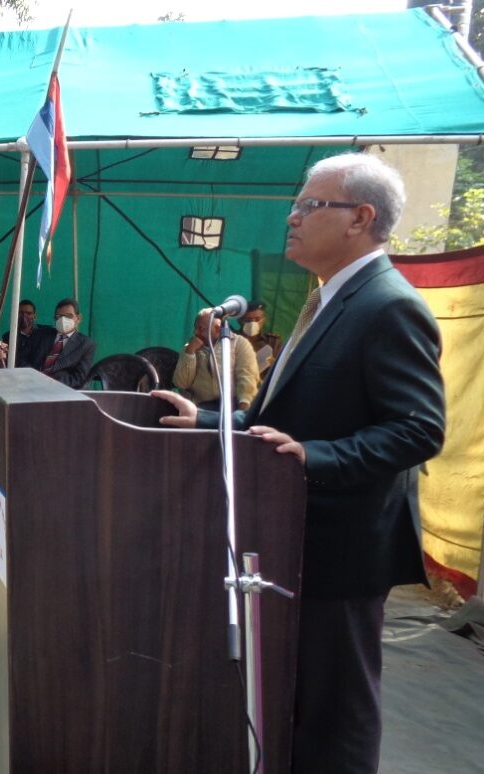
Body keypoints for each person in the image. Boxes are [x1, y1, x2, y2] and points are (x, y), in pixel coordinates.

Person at [150, 152, 445, 774]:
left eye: (310, 205)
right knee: (298, 700)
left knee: (338, 712)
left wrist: (318, 457)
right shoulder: (328, 301)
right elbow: (288, 418)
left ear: (360, 218)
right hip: (293, 536)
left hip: (343, 547)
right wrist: (204, 418)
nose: (292, 217)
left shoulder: (388, 305)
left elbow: (419, 429)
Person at [173, 308, 259, 410]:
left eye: (201, 328)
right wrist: (190, 352)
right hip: (202, 407)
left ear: (217, 328)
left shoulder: (239, 343)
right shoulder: (191, 347)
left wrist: (244, 406)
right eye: (195, 328)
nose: (196, 332)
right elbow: (181, 384)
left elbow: (247, 375)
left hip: (233, 405)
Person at [35, 299, 96, 389]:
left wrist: (50, 383)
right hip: (33, 384)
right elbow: (28, 359)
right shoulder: (42, 335)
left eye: (69, 316)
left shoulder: (86, 344)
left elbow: (80, 377)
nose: (63, 320)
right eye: (59, 316)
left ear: (78, 319)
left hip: (62, 391)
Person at [2, 299, 54, 368]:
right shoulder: (8, 337)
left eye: (29, 313)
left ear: (35, 316)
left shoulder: (45, 333)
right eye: (21, 313)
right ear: (15, 315)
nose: (24, 316)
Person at [238, 300, 283, 373]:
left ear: (264, 320)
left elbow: (280, 368)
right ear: (240, 321)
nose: (252, 323)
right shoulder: (231, 340)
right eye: (248, 320)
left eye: (257, 319)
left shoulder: (273, 341)